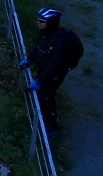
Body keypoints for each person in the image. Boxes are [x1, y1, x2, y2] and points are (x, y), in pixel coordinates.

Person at [19, 7, 76, 136]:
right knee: (44, 95)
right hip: (45, 70)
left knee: (46, 98)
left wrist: (39, 81)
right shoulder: (46, 33)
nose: (37, 23)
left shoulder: (60, 42)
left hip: (54, 75)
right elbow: (38, 47)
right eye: (38, 20)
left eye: (41, 21)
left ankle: (53, 127)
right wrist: (29, 59)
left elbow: (54, 66)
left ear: (50, 23)